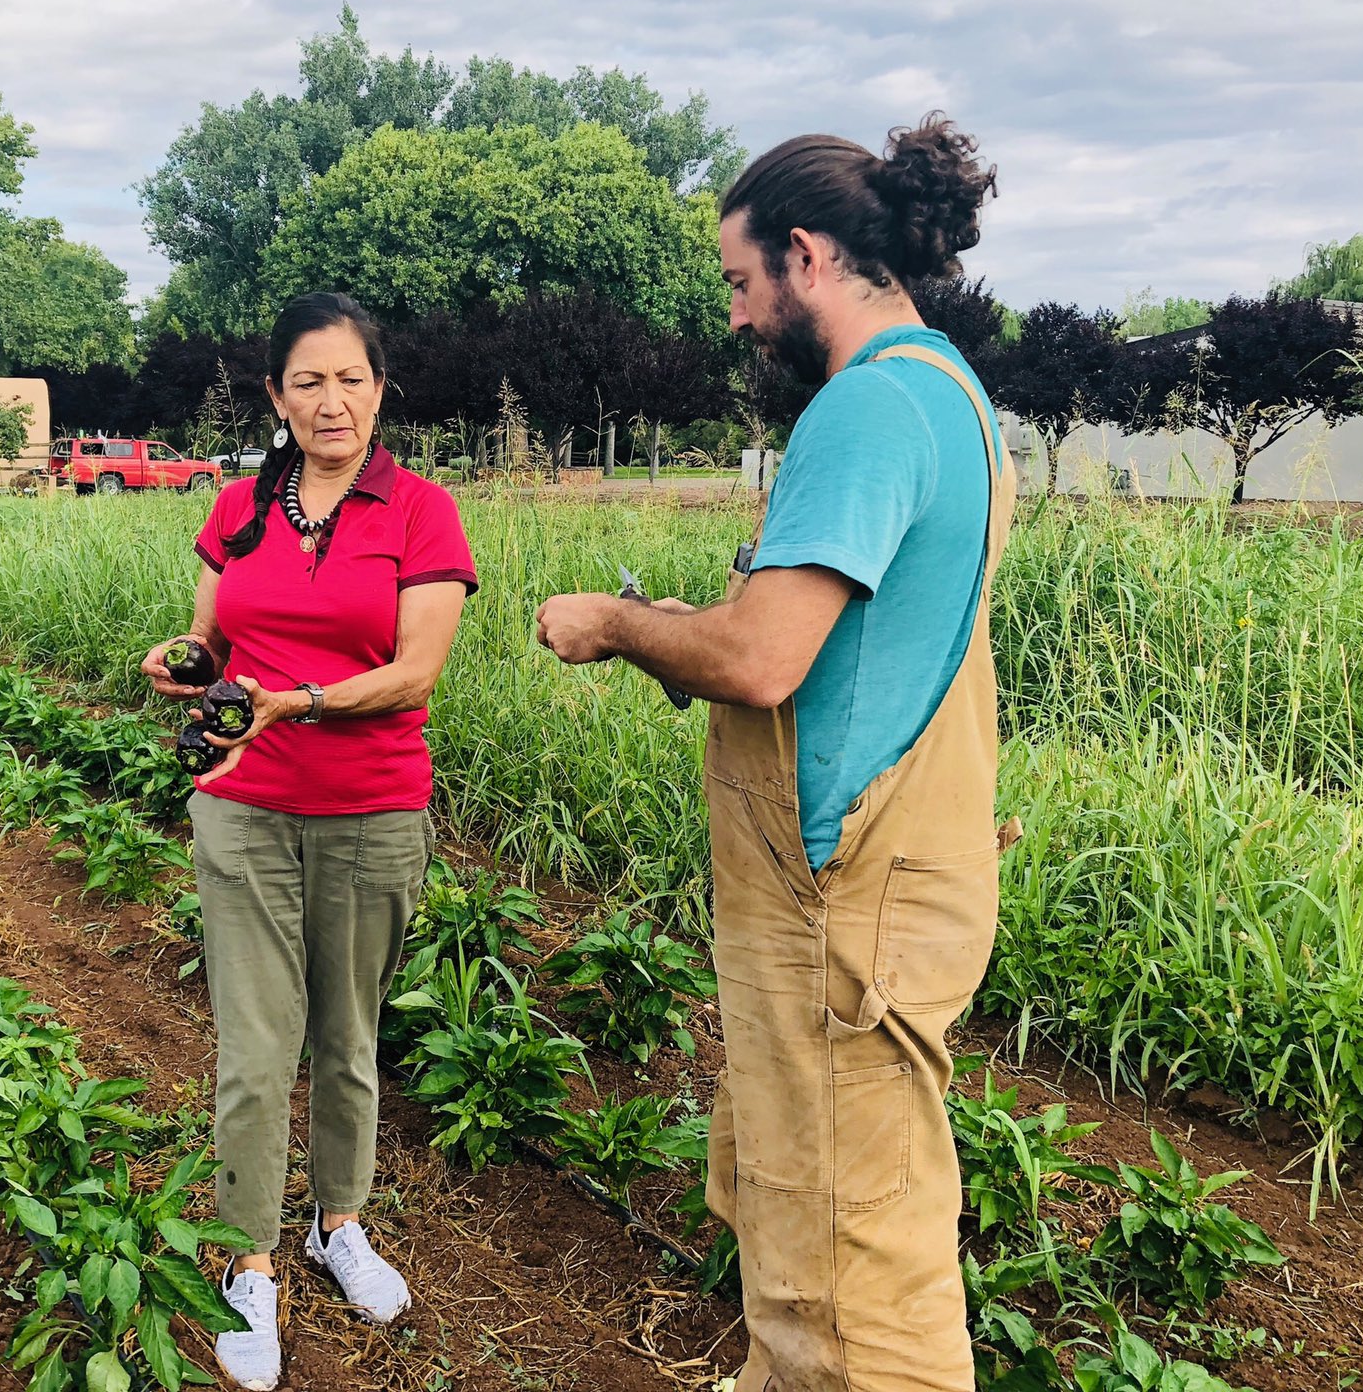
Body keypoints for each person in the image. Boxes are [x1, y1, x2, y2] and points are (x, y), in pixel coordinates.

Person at [535, 115, 1014, 1392]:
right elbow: (813, 632)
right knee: (808, 1200)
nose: (739, 318)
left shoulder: (864, 410)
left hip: (837, 907)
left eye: (742, 284)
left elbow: (758, 665)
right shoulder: (952, 396)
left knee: (855, 1266)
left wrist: (614, 624)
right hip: (894, 879)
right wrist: (701, 620)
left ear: (805, 256)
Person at [141, 292, 477, 1392]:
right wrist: (182, 661)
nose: (329, 402)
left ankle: (339, 1224)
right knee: (253, 1048)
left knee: (345, 1038)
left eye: (350, 379)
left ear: (380, 388)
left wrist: (298, 703)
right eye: (306, 381)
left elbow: (417, 671)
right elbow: (210, 636)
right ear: (276, 395)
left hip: (372, 815)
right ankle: (247, 1259)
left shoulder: (420, 513)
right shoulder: (238, 507)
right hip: (241, 806)